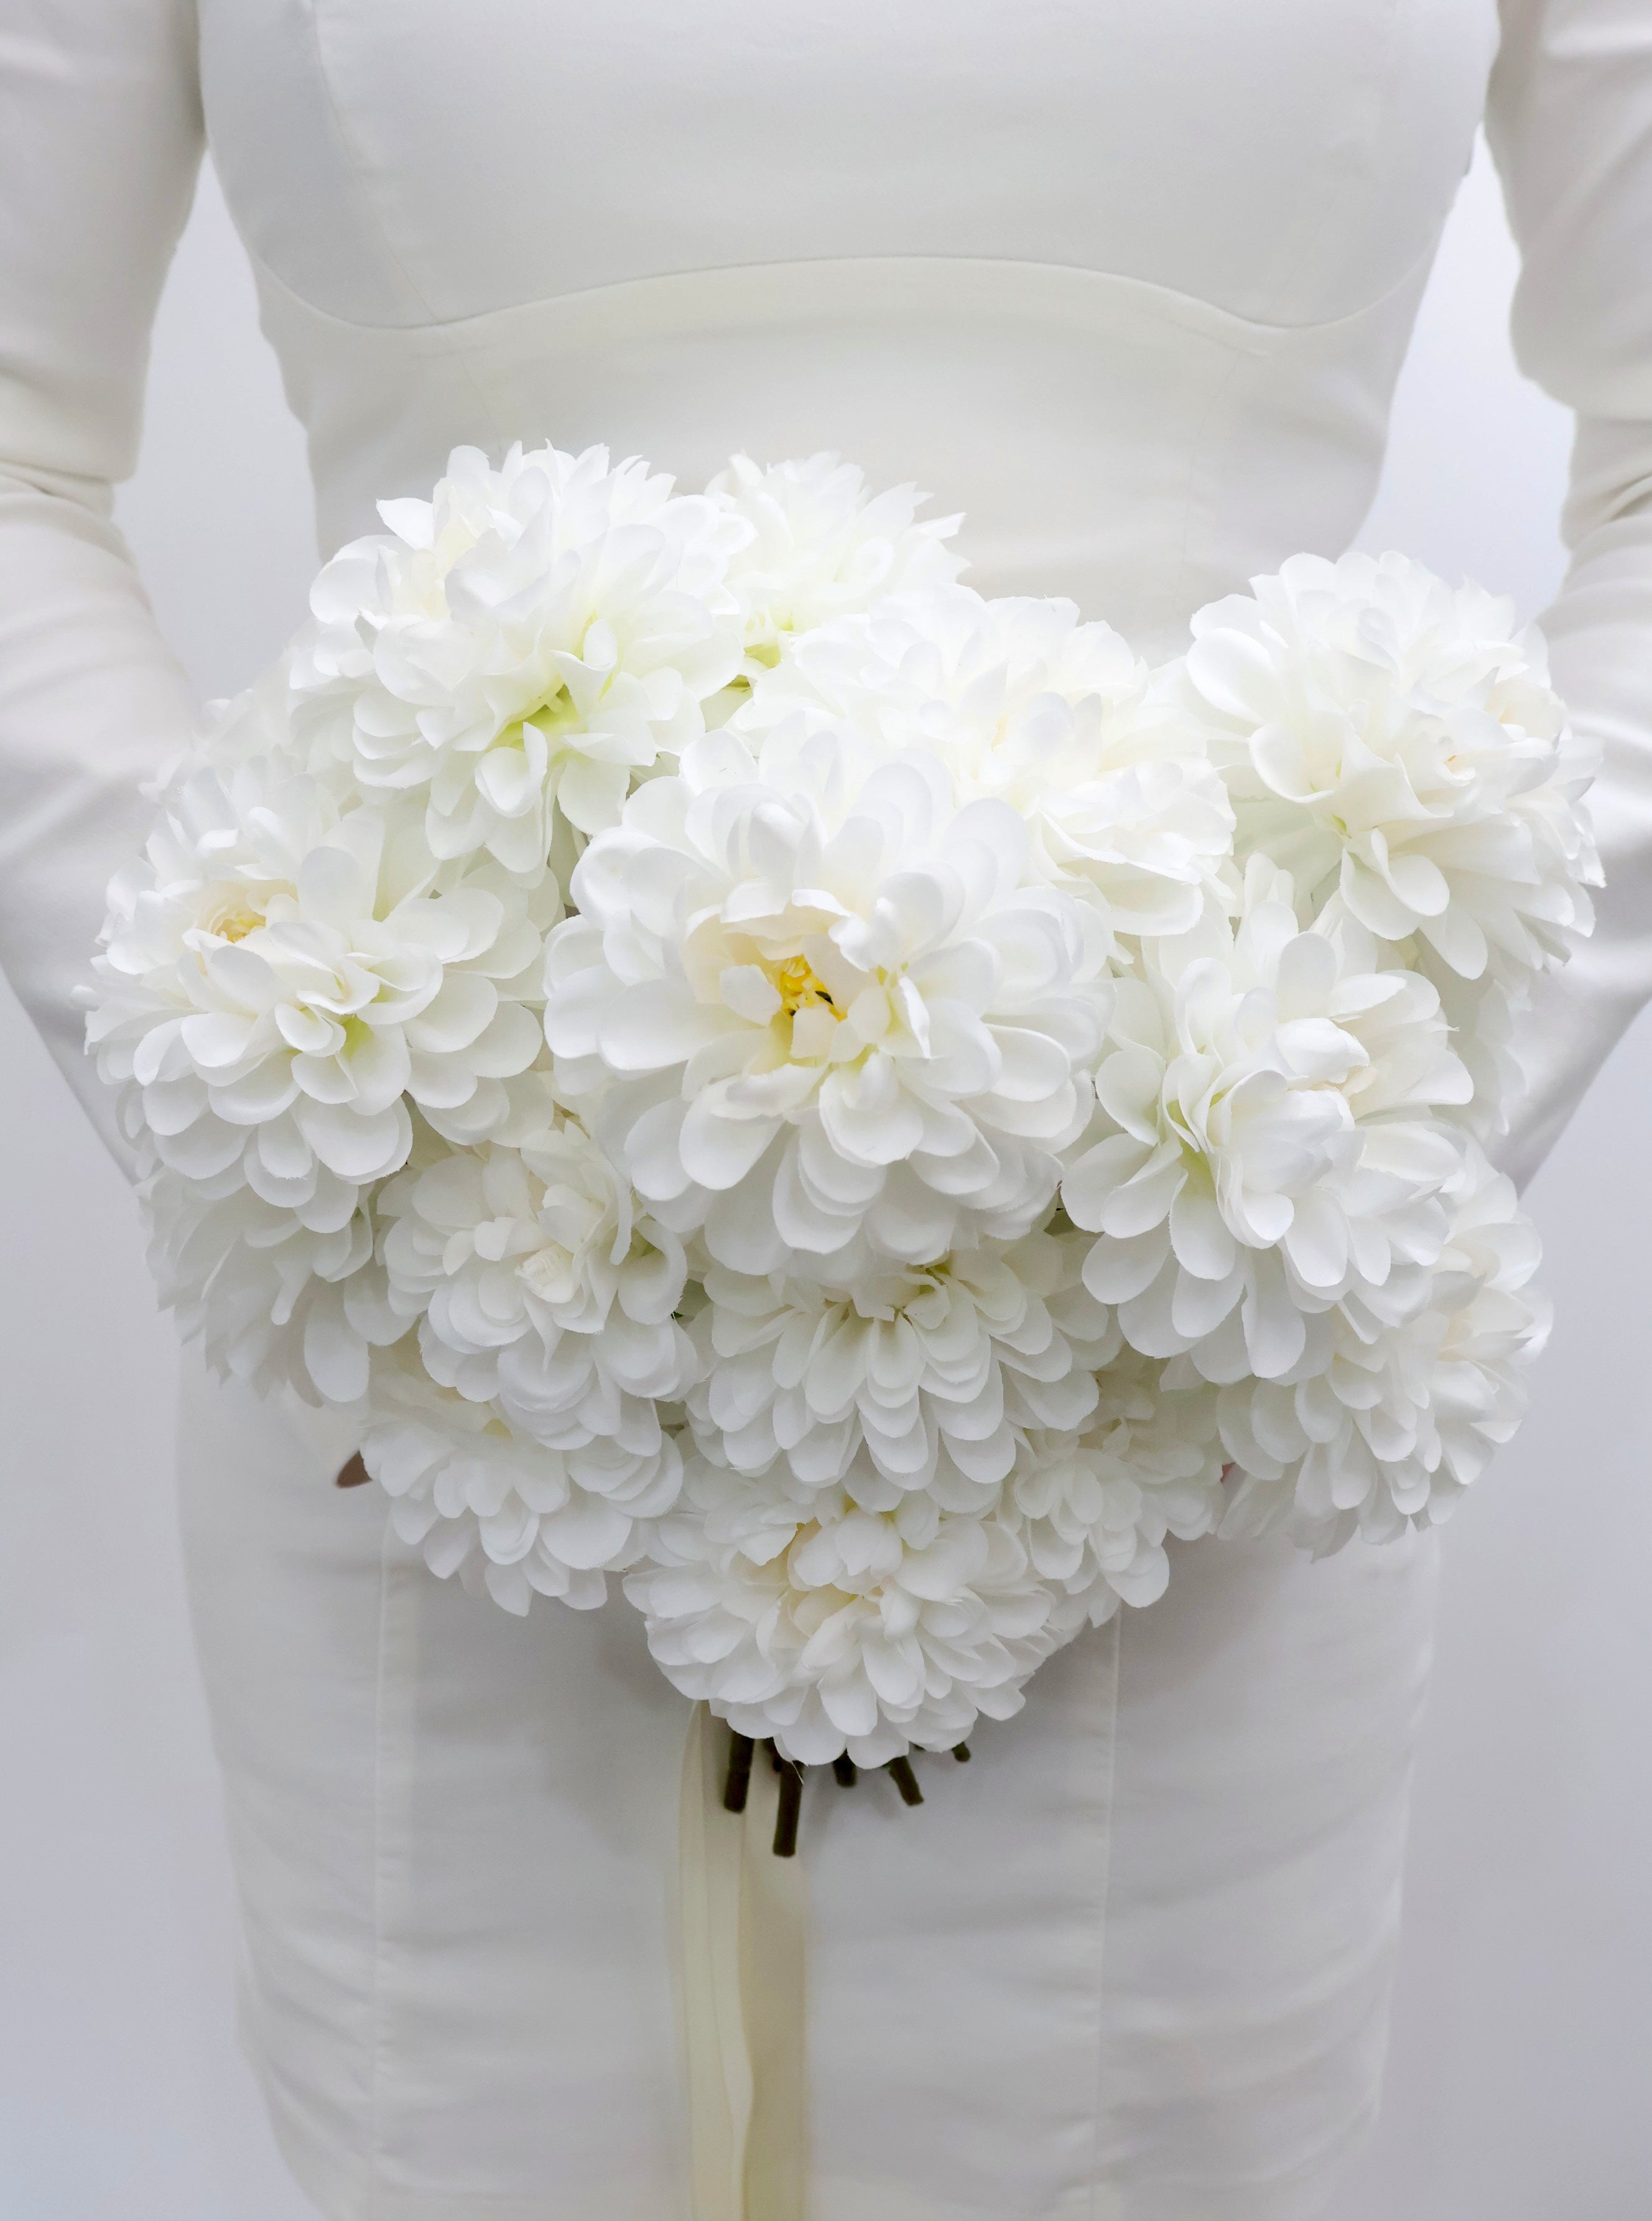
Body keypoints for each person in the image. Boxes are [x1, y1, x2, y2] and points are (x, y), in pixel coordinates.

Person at [1, 6, 1648, 2217]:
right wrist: (313, 1133)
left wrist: (1345, 1164)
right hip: (452, 1409)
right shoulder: (428, 1286)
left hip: (1186, 1434)